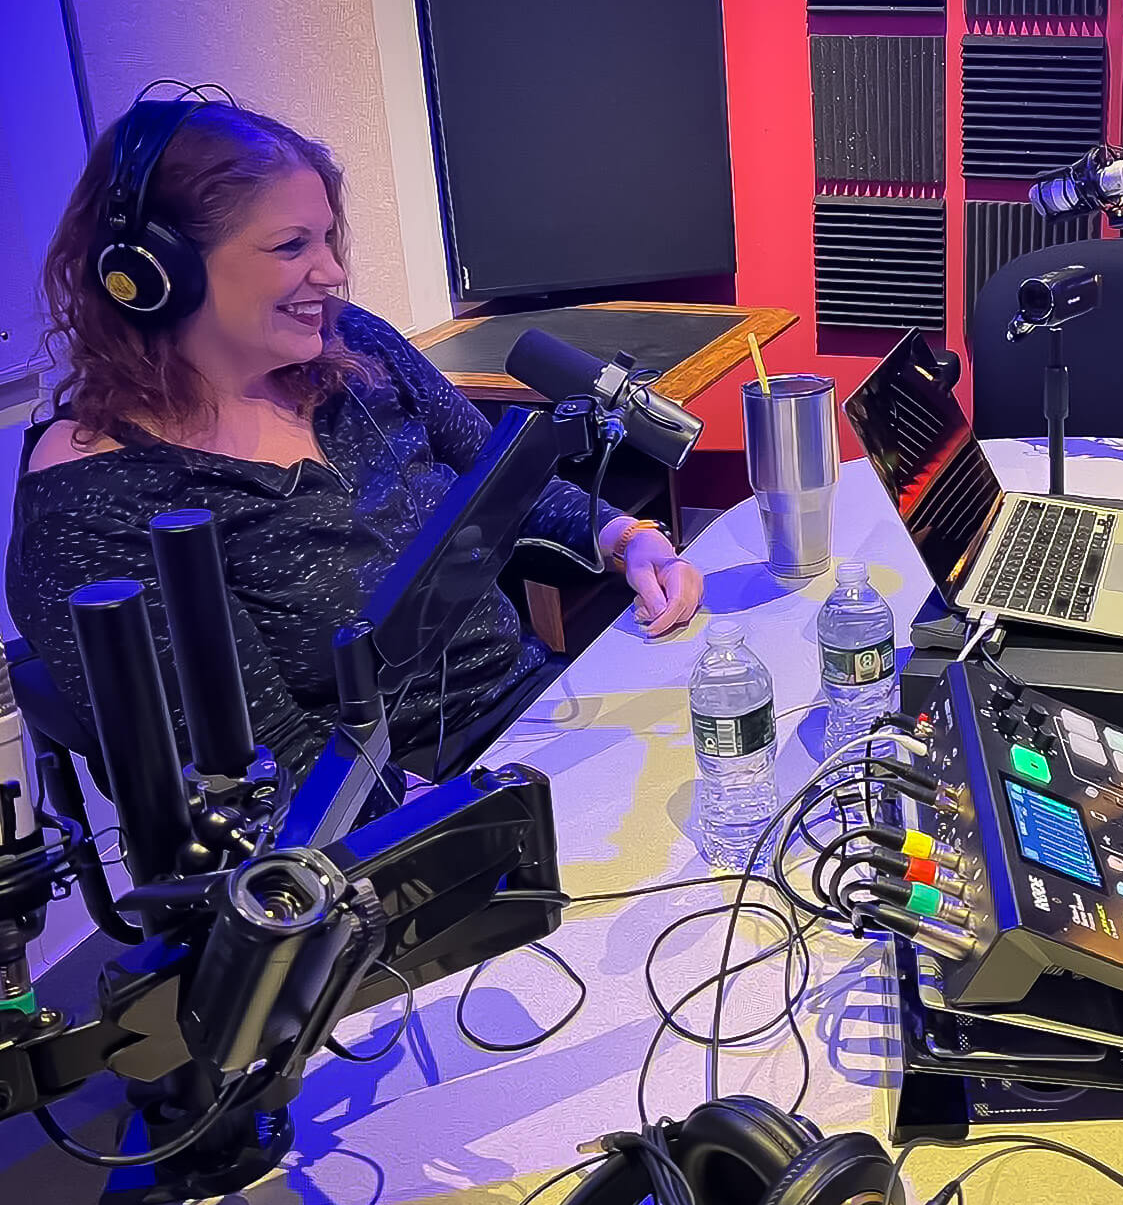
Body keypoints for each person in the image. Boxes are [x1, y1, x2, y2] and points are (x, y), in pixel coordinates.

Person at [7, 97, 703, 786]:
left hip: (528, 721)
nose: (332, 272)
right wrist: (475, 821)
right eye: (291, 246)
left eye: (327, 238)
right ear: (160, 271)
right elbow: (263, 772)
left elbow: (502, 486)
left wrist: (628, 537)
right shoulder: (93, 505)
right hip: (377, 834)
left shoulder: (352, 344)